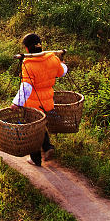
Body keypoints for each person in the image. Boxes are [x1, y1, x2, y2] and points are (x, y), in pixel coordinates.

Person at [10, 33, 67, 166]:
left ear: (27, 49)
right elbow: (62, 72)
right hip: (47, 102)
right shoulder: (52, 59)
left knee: (33, 131)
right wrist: (63, 65)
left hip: (33, 105)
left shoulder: (28, 64)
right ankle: (48, 147)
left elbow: (27, 87)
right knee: (41, 126)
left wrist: (16, 103)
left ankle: (35, 159)